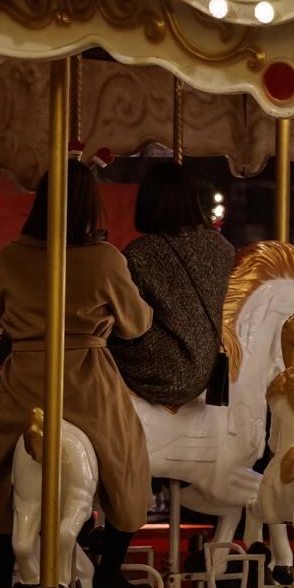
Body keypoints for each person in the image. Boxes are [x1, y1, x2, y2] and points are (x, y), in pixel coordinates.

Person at [0, 163, 154, 588]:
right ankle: (111, 568)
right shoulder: (104, 259)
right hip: (87, 379)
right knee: (126, 456)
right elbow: (136, 324)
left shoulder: (10, 256)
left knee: (2, 463)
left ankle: (3, 576)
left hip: (26, 375)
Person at [109, 164, 235, 408]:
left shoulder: (141, 253)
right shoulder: (221, 247)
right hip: (206, 367)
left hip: (165, 371)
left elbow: (131, 320)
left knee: (94, 348)